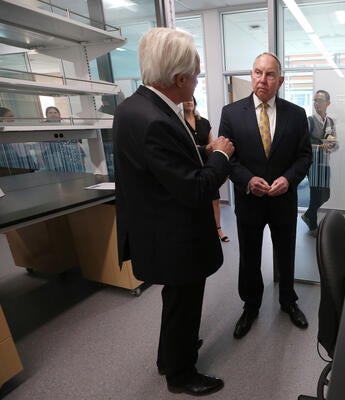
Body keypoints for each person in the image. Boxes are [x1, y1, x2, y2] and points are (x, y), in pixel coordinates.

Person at [113, 27, 234, 396]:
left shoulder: (135, 107)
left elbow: (164, 165)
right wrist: (220, 156)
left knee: (177, 303)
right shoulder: (154, 122)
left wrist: (199, 151)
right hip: (174, 237)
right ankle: (180, 375)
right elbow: (196, 187)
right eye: (195, 74)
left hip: (158, 230)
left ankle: (172, 355)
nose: (197, 80)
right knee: (183, 303)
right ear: (179, 78)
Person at [219, 52, 312, 339]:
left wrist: (289, 178)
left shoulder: (296, 115)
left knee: (286, 253)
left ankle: (288, 301)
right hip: (250, 201)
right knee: (249, 257)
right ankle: (251, 305)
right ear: (251, 75)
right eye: (258, 72)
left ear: (280, 80)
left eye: (270, 74)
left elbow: (304, 156)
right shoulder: (231, 113)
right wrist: (247, 180)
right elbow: (227, 158)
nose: (263, 79)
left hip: (284, 200)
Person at [182, 96, 229, 242]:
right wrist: (202, 149)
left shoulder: (204, 122)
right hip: (189, 166)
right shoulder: (179, 122)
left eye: (191, 99)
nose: (189, 101)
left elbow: (212, 144)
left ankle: (219, 230)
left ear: (195, 102)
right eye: (186, 99)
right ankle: (200, 233)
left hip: (206, 165)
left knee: (214, 198)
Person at [301, 90, 337, 235]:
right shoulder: (309, 121)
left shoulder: (330, 122)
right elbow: (302, 143)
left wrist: (331, 146)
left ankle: (308, 215)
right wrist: (318, 146)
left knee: (325, 195)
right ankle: (313, 227)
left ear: (328, 103)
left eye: (320, 100)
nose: (317, 103)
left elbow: (333, 141)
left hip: (324, 163)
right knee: (316, 194)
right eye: (315, 100)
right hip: (313, 164)